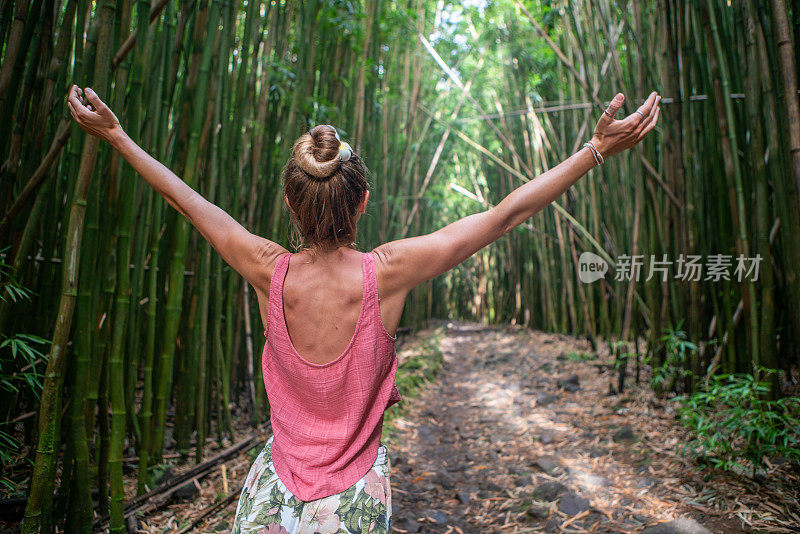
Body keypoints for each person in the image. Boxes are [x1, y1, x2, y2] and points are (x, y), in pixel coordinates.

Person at [67, 84, 660, 533]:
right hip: (352, 502)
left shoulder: (265, 268)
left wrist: (118, 136)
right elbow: (504, 213)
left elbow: (186, 199)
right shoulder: (389, 272)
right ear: (364, 201)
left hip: (272, 495)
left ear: (290, 204)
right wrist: (594, 150)